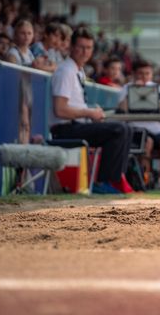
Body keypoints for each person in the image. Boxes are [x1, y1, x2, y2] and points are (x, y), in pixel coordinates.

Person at [49, 26, 133, 194]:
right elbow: (60, 109)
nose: (85, 51)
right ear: (71, 47)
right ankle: (103, 182)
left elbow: (75, 105)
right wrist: (89, 113)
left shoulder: (78, 71)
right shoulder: (66, 71)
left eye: (88, 48)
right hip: (64, 129)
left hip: (77, 125)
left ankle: (115, 180)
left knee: (127, 129)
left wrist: (92, 111)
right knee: (119, 130)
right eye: (81, 47)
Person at [118, 59, 160, 190]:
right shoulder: (126, 88)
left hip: (157, 131)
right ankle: (144, 180)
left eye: (147, 73)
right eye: (141, 73)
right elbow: (121, 110)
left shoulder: (158, 89)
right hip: (137, 130)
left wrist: (155, 99)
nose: (144, 77)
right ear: (134, 74)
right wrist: (134, 92)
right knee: (147, 143)